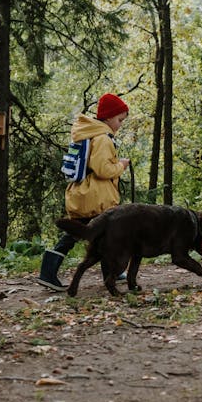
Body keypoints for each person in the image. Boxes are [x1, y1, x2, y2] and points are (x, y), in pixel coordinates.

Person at [37, 93, 130, 291]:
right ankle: (49, 273)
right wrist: (121, 166)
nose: (120, 124)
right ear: (108, 117)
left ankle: (50, 270)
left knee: (90, 234)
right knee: (98, 233)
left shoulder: (89, 134)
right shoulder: (103, 139)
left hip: (83, 193)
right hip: (95, 197)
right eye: (119, 119)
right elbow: (103, 170)